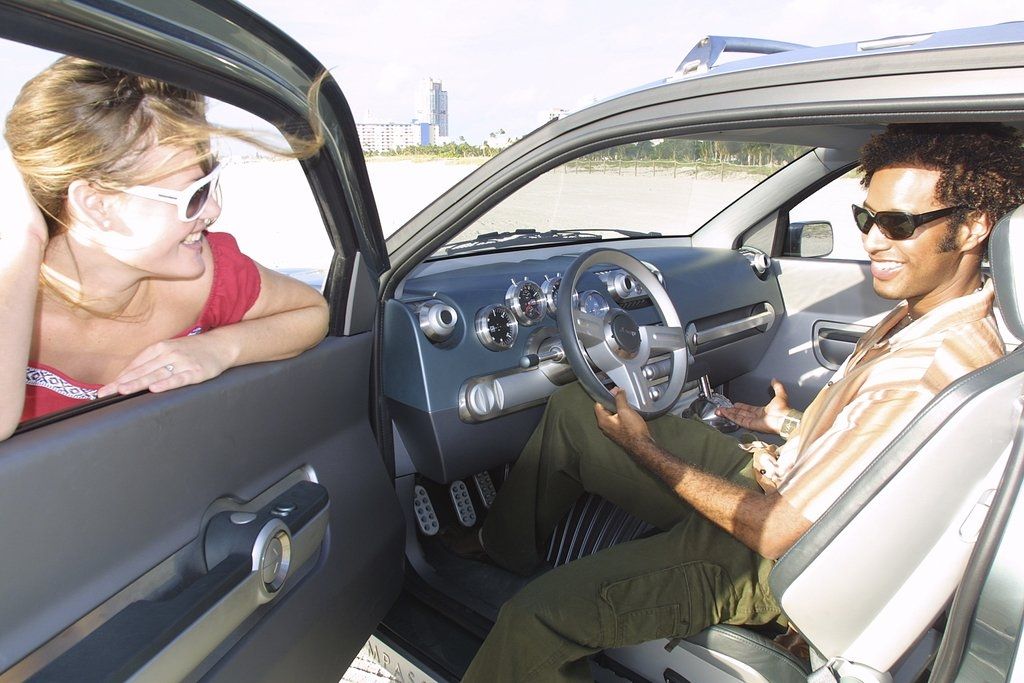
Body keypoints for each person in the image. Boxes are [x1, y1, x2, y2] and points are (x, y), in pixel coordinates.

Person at [461, 123, 1024, 681]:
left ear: (974, 226)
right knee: (576, 412)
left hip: (772, 559)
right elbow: (885, 449)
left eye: (899, 224)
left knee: (535, 618)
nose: (873, 240)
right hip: (785, 484)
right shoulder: (944, 320)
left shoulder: (923, 371)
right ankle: (501, 548)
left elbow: (779, 533)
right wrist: (792, 424)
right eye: (866, 218)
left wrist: (643, 449)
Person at [0, 56, 329, 440]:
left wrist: (220, 349)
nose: (213, 210)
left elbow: (311, 313)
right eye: (193, 194)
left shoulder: (208, 275)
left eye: (210, 185)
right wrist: (25, 240)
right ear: (96, 205)